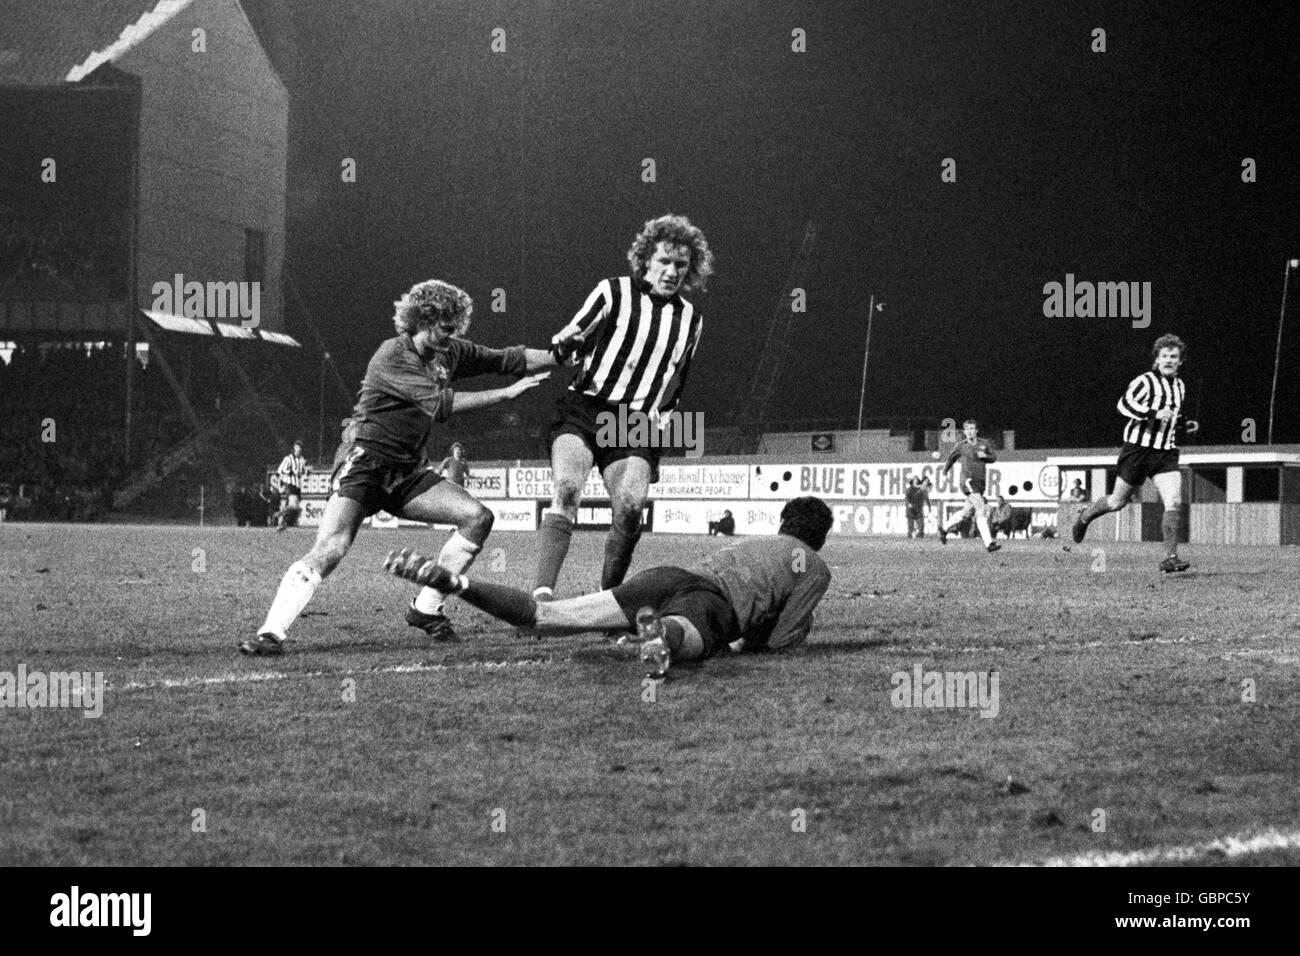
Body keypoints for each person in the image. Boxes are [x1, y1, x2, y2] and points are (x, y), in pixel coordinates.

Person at [240, 279, 556, 656]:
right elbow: (439, 405)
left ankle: (425, 609)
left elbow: (509, 358)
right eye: (445, 326)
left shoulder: (448, 351)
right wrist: (505, 394)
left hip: (407, 472)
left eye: (456, 327)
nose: (452, 334)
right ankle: (271, 632)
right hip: (365, 464)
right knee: (333, 546)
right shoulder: (392, 354)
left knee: (477, 517)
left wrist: (564, 353)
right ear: (422, 319)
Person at [387, 497, 834, 678]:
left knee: (549, 617)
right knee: (682, 635)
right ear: (821, 537)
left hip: (667, 576)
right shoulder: (813, 566)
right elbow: (783, 637)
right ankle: (662, 635)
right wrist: (746, 644)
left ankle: (456, 582)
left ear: (783, 522)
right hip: (710, 604)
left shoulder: (756, 541)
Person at [533, 214, 713, 602]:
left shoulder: (691, 320)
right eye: (664, 261)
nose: (671, 271)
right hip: (584, 407)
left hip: (634, 424)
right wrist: (563, 344)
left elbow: (676, 381)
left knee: (631, 508)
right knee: (566, 489)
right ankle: (542, 596)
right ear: (646, 259)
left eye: (680, 265)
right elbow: (568, 345)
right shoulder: (612, 291)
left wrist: (659, 432)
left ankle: (606, 600)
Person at [1070, 334, 1196, 573]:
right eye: (1165, 356)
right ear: (1157, 360)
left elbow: (1172, 415)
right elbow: (1123, 405)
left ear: (1181, 361)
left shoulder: (1180, 386)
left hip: (1165, 453)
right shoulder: (1146, 381)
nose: (1169, 360)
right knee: (1117, 502)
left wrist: (1184, 423)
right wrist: (1153, 413)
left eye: (1174, 356)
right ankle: (1085, 516)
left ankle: (1170, 557)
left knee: (1174, 501)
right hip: (1138, 450)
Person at [937, 419, 1001, 552]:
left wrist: (985, 457)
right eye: (968, 429)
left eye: (973, 429)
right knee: (980, 508)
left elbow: (993, 457)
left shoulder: (984, 444)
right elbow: (951, 459)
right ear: (965, 432)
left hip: (980, 483)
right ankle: (989, 543)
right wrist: (944, 472)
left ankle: (943, 529)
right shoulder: (961, 446)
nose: (970, 431)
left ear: (976, 431)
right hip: (967, 481)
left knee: (966, 513)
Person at [273, 440, 309, 531]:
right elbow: (280, 470)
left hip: (297, 485)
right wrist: (291, 472)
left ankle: (281, 522)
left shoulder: (301, 460)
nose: (299, 449)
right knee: (293, 505)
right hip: (289, 484)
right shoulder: (288, 458)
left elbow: (302, 472)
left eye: (300, 448)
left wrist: (307, 471)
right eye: (297, 447)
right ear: (294, 448)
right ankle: (279, 513)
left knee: (295, 508)